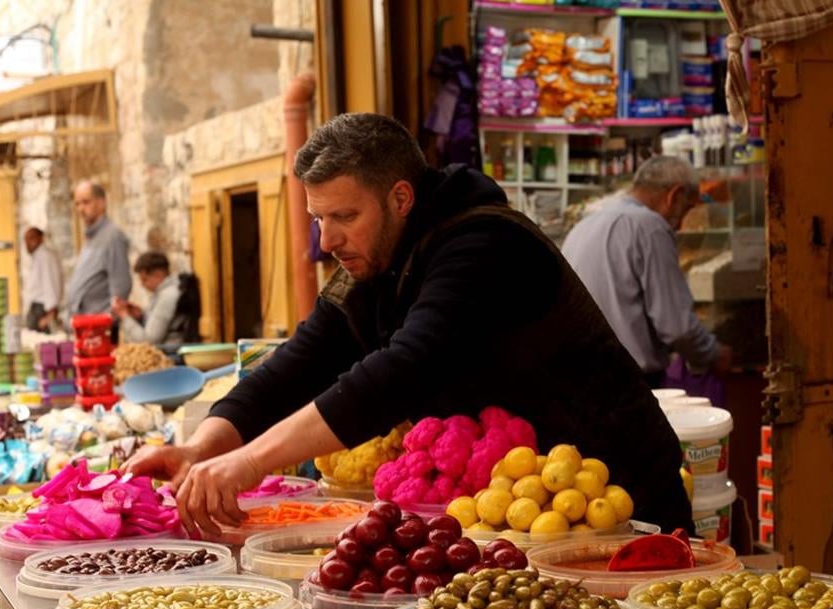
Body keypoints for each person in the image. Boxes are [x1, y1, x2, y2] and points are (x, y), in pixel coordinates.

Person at [127, 113, 691, 538]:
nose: (327, 241)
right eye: (319, 218)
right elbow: (298, 363)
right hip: (521, 512)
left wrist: (249, 462)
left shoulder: (484, 244)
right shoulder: (376, 260)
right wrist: (203, 446)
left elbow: (401, 370)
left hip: (619, 502)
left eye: (345, 216)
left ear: (400, 198)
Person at [561, 156, 731, 388]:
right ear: (675, 195)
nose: (681, 225)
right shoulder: (650, 227)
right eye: (688, 208)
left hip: (579, 376)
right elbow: (677, 328)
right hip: (626, 384)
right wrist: (712, 353)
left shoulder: (585, 224)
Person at [65, 180, 131, 318]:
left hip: (99, 328)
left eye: (86, 202)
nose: (80, 209)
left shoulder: (112, 237)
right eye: (77, 204)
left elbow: (120, 290)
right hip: (84, 324)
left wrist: (107, 320)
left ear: (101, 203)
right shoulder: (91, 236)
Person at [112, 252, 189, 346]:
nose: (142, 285)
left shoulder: (168, 296)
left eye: (144, 279)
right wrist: (140, 316)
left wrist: (124, 317)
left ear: (158, 274)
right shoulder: (164, 292)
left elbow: (149, 340)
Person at [21, 227, 63, 333]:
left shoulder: (45, 256)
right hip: (35, 309)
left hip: (42, 311)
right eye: (25, 240)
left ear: (41, 238)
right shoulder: (37, 257)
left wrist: (50, 315)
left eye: (31, 238)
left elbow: (51, 284)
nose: (27, 243)